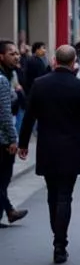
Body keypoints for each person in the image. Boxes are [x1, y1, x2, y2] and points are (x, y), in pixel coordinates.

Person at [18, 44, 80, 264]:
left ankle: (57, 233)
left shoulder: (39, 84)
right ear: (74, 62)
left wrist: (23, 143)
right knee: (65, 195)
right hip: (71, 148)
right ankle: (60, 244)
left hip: (47, 146)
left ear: (55, 60)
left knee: (52, 194)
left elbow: (29, 117)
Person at [0, 40, 26, 226]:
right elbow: (4, 113)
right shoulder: (2, 80)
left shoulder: (9, 75)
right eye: (12, 53)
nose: (17, 56)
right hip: (2, 138)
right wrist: (12, 138)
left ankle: (7, 211)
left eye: (17, 53)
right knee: (3, 178)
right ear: (1, 56)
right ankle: (8, 210)